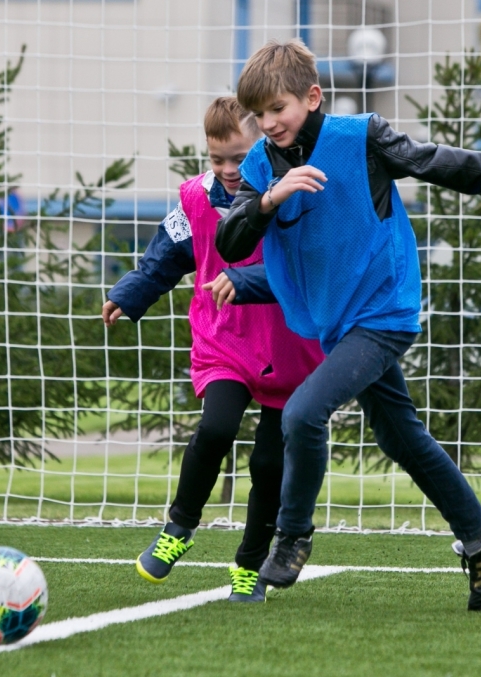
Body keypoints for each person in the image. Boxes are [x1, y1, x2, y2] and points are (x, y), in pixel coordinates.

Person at [214, 39, 481, 611]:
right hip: (338, 324)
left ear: (312, 96)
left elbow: (442, 162)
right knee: (400, 435)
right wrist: (269, 199)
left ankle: (293, 535)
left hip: (384, 310)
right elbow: (230, 241)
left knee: (304, 413)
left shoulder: (362, 137)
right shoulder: (259, 168)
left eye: (278, 109)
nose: (269, 123)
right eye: (259, 115)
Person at [102, 97, 324, 603]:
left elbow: (310, 266)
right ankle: (178, 528)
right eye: (217, 157)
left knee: (270, 465)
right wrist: (130, 292)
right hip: (224, 339)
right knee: (217, 427)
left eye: (238, 157)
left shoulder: (293, 195)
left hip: (291, 347)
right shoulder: (195, 200)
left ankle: (249, 567)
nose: (226, 169)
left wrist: (244, 278)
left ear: (265, 147)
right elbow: (165, 257)